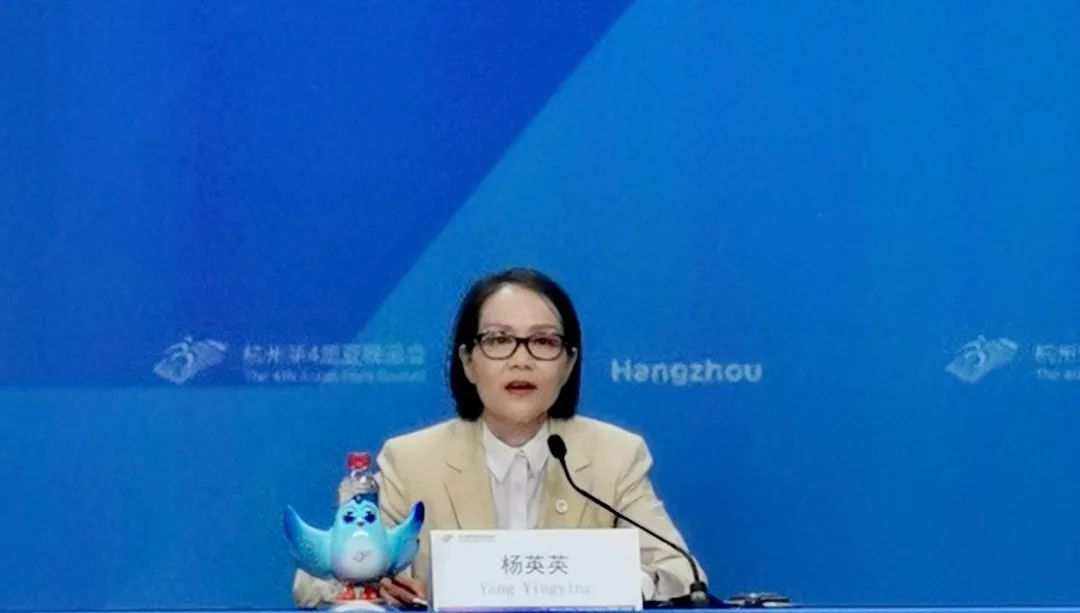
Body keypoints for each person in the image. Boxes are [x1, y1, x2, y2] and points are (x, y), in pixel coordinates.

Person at [292, 267, 703, 607]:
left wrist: (620, 586)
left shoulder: (614, 455)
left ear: (568, 364)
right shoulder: (412, 460)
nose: (521, 359)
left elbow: (682, 571)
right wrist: (373, 583)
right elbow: (312, 582)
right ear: (468, 361)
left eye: (543, 341)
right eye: (499, 340)